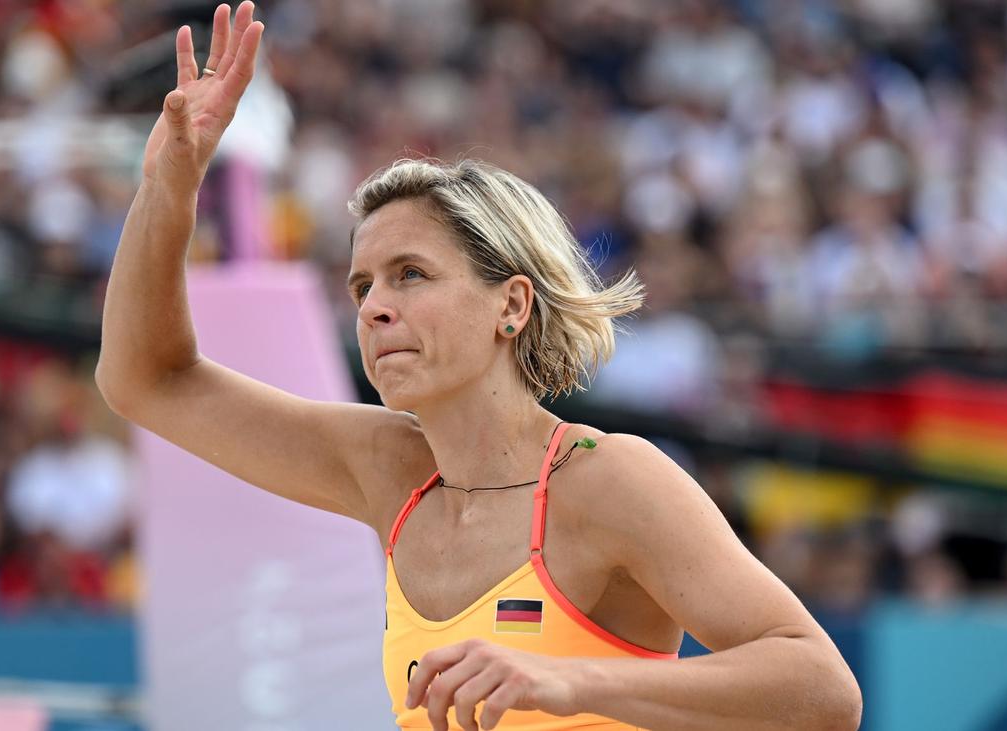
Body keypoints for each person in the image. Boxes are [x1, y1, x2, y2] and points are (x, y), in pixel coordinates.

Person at [95, 3, 862, 730]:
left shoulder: (608, 480)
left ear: (512, 305)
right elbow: (146, 380)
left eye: (411, 275)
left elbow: (823, 690)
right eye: (362, 286)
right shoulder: (389, 470)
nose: (373, 307)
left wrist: (571, 682)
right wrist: (168, 187)